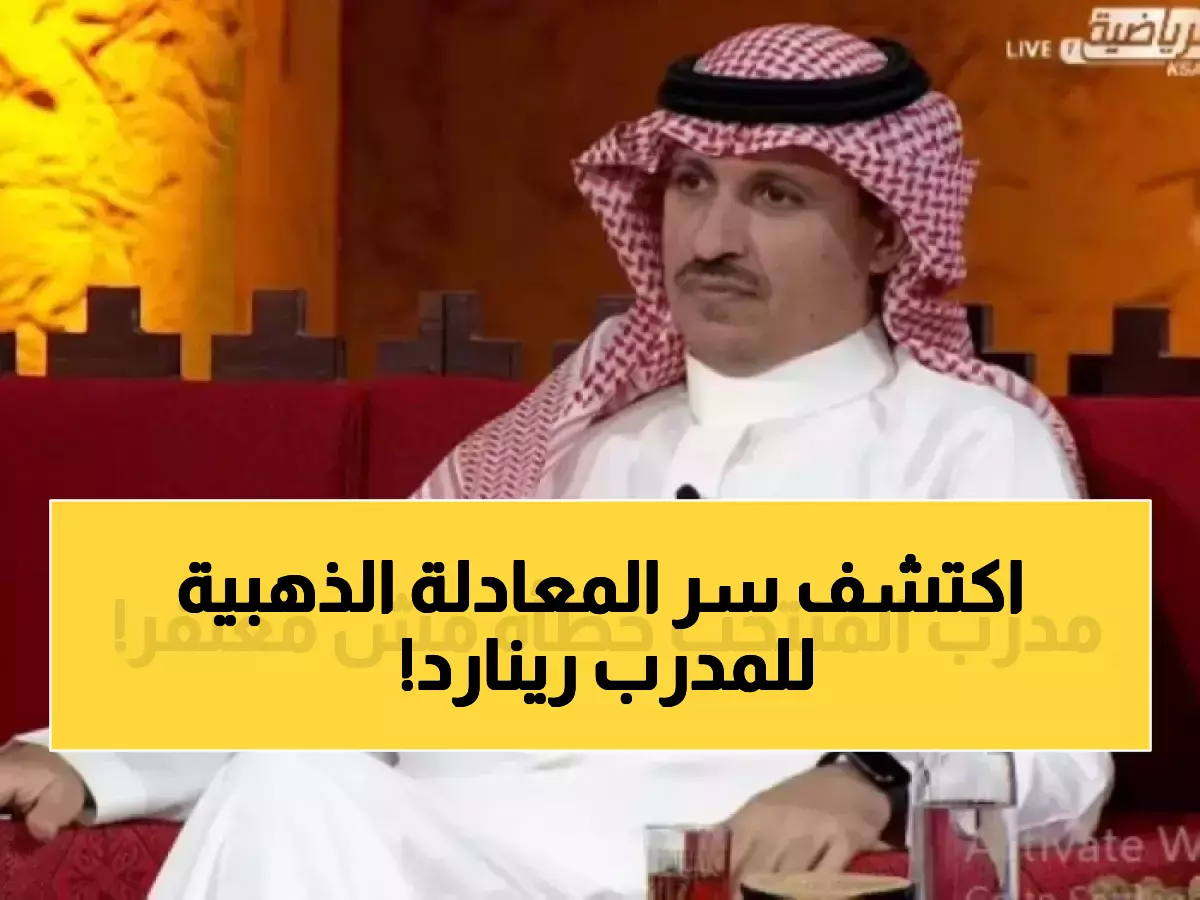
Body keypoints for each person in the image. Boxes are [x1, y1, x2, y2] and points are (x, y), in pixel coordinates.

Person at [2, 23, 1112, 900]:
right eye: (691, 185)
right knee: (293, 778)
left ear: (887, 233)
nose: (711, 240)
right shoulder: (585, 437)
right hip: (447, 843)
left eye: (776, 195)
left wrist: (868, 777)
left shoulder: (966, 438)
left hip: (677, 867)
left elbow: (1060, 747)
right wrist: (86, 754)